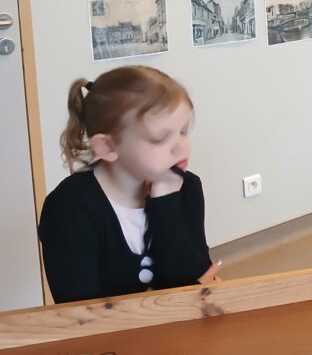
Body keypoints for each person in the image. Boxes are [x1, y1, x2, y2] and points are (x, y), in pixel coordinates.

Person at [38, 66, 218, 304]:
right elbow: (81, 313)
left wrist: (165, 201)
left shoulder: (186, 187)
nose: (181, 147)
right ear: (107, 147)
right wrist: (187, 294)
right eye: (159, 138)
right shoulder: (69, 207)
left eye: (183, 131)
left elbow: (192, 282)